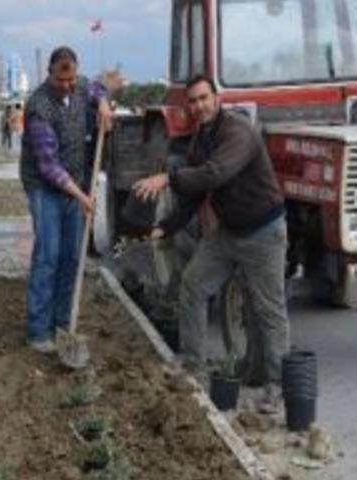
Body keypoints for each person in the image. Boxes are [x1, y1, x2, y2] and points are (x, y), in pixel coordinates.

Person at [132, 74, 289, 413]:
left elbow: (216, 173)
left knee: (269, 310)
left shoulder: (238, 131)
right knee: (193, 285)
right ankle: (192, 363)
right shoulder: (199, 139)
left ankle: (276, 387)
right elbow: (196, 191)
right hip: (228, 232)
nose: (199, 106)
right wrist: (167, 227)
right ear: (188, 107)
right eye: (193, 101)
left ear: (217, 99)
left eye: (204, 98)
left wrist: (167, 178)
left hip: (263, 233)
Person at [19, 46, 112, 353]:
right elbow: (48, 166)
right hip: (45, 187)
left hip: (75, 184)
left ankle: (62, 322)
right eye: (61, 80)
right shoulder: (38, 107)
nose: (67, 85)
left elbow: (98, 87)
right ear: (50, 73)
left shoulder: (80, 85)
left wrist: (103, 104)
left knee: (72, 256)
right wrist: (81, 195)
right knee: (49, 255)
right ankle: (38, 330)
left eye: (70, 79)